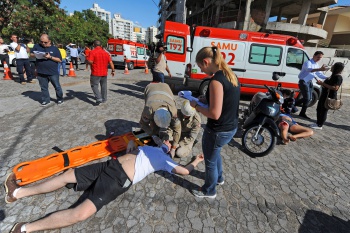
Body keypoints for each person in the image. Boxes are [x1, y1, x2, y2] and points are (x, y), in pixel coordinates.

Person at [5, 140, 204, 233]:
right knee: (67, 175)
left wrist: (195, 161)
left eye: (171, 146)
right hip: (110, 165)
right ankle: (17, 192)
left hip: (118, 180)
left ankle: (24, 229)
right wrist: (131, 148)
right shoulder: (149, 147)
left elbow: (185, 171)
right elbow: (131, 148)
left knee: (80, 213)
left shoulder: (165, 161)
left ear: (170, 152)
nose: (169, 144)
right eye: (168, 142)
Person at [189, 46, 240, 198]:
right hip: (231, 127)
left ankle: (209, 191)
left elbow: (214, 114)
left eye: (200, 67)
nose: (202, 71)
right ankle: (219, 178)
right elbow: (226, 100)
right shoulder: (230, 75)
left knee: (210, 161)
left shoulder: (216, 81)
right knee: (215, 153)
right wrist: (206, 99)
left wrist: (196, 106)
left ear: (206, 62)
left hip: (217, 130)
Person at [139, 82, 181, 158]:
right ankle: (154, 130)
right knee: (153, 129)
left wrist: (173, 148)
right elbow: (143, 124)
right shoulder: (148, 110)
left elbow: (177, 129)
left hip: (166, 87)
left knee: (161, 130)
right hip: (150, 88)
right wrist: (153, 135)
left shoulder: (173, 112)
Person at [309, 62, 344, 130]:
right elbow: (327, 85)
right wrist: (321, 83)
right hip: (324, 94)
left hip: (329, 95)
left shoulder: (338, 77)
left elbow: (335, 88)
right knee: (319, 109)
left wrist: (322, 83)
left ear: (336, 68)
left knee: (323, 110)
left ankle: (320, 125)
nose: (331, 67)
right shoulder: (333, 76)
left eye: (333, 66)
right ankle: (317, 122)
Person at [31, 34, 63, 106]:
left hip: (52, 72)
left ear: (49, 41)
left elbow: (59, 60)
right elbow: (31, 54)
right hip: (41, 71)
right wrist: (38, 55)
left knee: (57, 87)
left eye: (45, 42)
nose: (43, 43)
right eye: (41, 42)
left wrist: (50, 57)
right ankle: (46, 100)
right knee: (43, 88)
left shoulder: (55, 49)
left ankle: (60, 99)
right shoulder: (37, 46)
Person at [298, 51, 328, 119]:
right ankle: (300, 111)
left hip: (309, 82)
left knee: (309, 98)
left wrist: (328, 77)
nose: (319, 59)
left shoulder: (316, 64)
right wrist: (320, 69)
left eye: (320, 58)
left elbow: (319, 74)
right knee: (307, 98)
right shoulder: (308, 62)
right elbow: (309, 69)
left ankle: (296, 107)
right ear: (314, 56)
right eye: (318, 57)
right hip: (303, 81)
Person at [86, 40, 115, 106]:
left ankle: (98, 98)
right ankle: (104, 99)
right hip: (104, 73)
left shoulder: (92, 52)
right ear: (101, 45)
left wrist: (87, 61)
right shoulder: (106, 53)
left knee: (94, 85)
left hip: (95, 72)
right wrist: (113, 70)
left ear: (93, 45)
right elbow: (111, 62)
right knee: (104, 86)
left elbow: (90, 61)